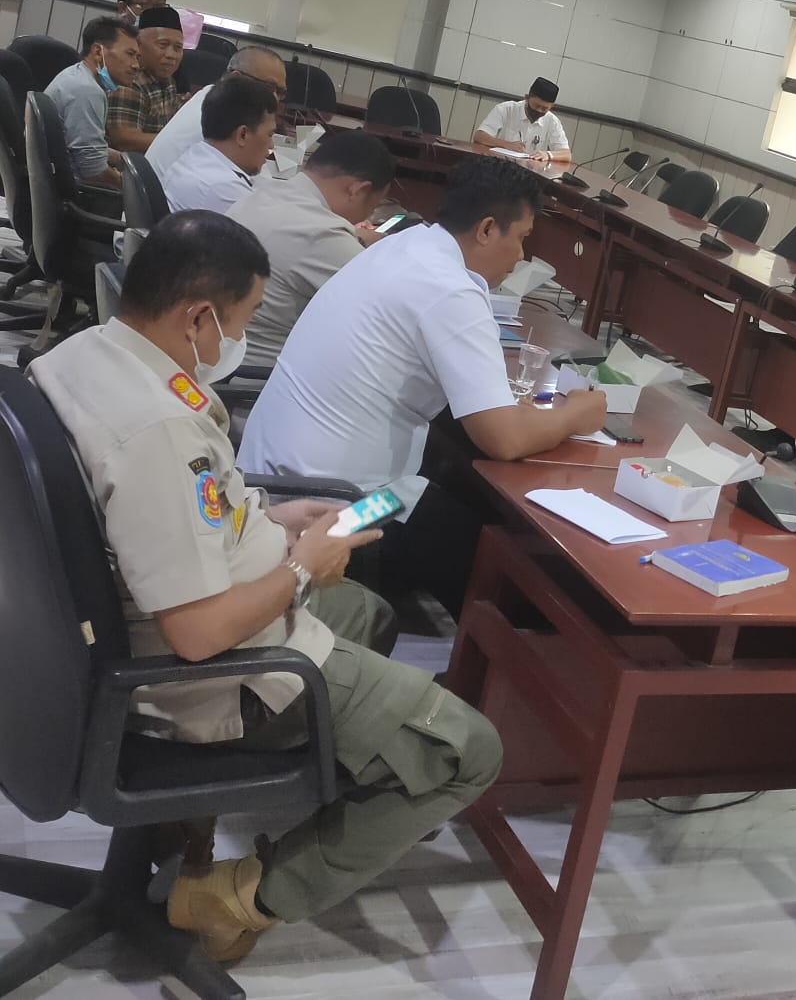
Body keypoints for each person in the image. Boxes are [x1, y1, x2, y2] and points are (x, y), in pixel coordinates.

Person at [28, 211, 502, 963]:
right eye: (242, 320)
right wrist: (302, 566)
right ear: (198, 317)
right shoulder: (156, 432)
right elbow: (198, 635)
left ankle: (200, 813)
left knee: (368, 611)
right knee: (464, 752)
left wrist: (269, 521)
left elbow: (162, 517)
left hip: (104, 635)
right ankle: (230, 898)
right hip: (203, 675)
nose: (240, 338)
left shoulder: (87, 354)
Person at [240, 157, 608, 618]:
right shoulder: (451, 289)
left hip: (271, 480)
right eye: (521, 238)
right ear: (486, 229)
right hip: (342, 507)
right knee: (495, 559)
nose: (520, 257)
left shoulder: (406, 245)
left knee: (455, 481)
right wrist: (576, 414)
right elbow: (505, 438)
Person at [227, 130, 394, 363]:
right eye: (372, 206)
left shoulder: (263, 192)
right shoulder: (324, 236)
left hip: (225, 358)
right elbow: (387, 314)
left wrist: (357, 238)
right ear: (357, 190)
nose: (368, 216)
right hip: (262, 374)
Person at [147, 44, 286, 178]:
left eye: (280, 92)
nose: (275, 99)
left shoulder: (212, 97)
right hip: (167, 191)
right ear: (235, 79)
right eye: (269, 87)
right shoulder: (218, 118)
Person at [159, 73, 277, 214]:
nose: (271, 145)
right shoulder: (223, 188)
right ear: (243, 135)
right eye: (269, 135)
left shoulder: (195, 155)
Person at [43, 16, 140, 188]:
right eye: (130, 54)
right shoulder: (86, 91)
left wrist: (128, 161)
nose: (136, 65)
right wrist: (137, 191)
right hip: (78, 193)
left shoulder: (76, 75)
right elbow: (93, 170)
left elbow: (87, 148)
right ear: (97, 52)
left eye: (137, 57)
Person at [106, 3, 185, 154]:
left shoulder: (167, 79)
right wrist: (180, 143)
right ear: (139, 45)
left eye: (178, 48)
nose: (171, 55)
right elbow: (124, 139)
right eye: (163, 45)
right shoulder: (129, 80)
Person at [473, 76, 572, 163]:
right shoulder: (506, 109)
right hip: (499, 165)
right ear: (527, 97)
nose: (539, 111)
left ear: (552, 106)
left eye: (544, 109)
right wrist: (507, 145)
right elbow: (479, 136)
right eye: (536, 106)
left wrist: (548, 155)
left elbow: (567, 155)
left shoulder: (552, 121)